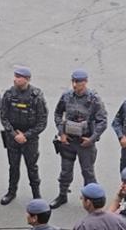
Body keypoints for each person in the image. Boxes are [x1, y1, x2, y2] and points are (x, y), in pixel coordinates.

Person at [49, 70, 107, 210]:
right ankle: (62, 195)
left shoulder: (94, 99)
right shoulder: (66, 96)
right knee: (65, 171)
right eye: (73, 81)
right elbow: (57, 113)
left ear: (85, 82)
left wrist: (92, 139)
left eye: (78, 82)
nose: (75, 85)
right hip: (68, 141)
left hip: (84, 142)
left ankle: (93, 201)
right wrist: (61, 132)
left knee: (88, 172)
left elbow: (102, 121)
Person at [0, 67, 47, 206]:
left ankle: (36, 195)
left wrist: (26, 135)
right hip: (13, 138)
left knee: (32, 167)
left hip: (29, 139)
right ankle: (11, 192)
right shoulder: (9, 94)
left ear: (27, 79)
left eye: (19, 77)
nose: (15, 79)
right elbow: (4, 117)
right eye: (15, 76)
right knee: (13, 166)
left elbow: (42, 121)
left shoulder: (36, 96)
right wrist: (14, 134)